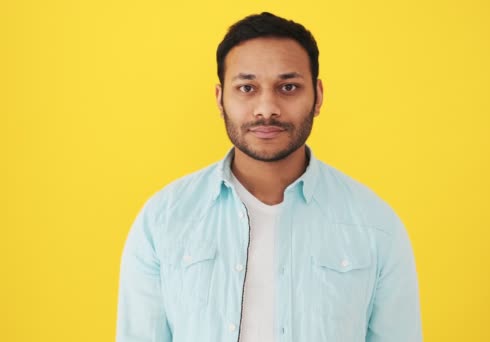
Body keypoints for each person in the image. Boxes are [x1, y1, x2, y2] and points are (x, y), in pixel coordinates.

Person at [116, 12, 422, 342]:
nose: (266, 108)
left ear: (318, 96)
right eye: (246, 87)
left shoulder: (374, 224)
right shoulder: (164, 219)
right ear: (220, 99)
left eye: (288, 87)